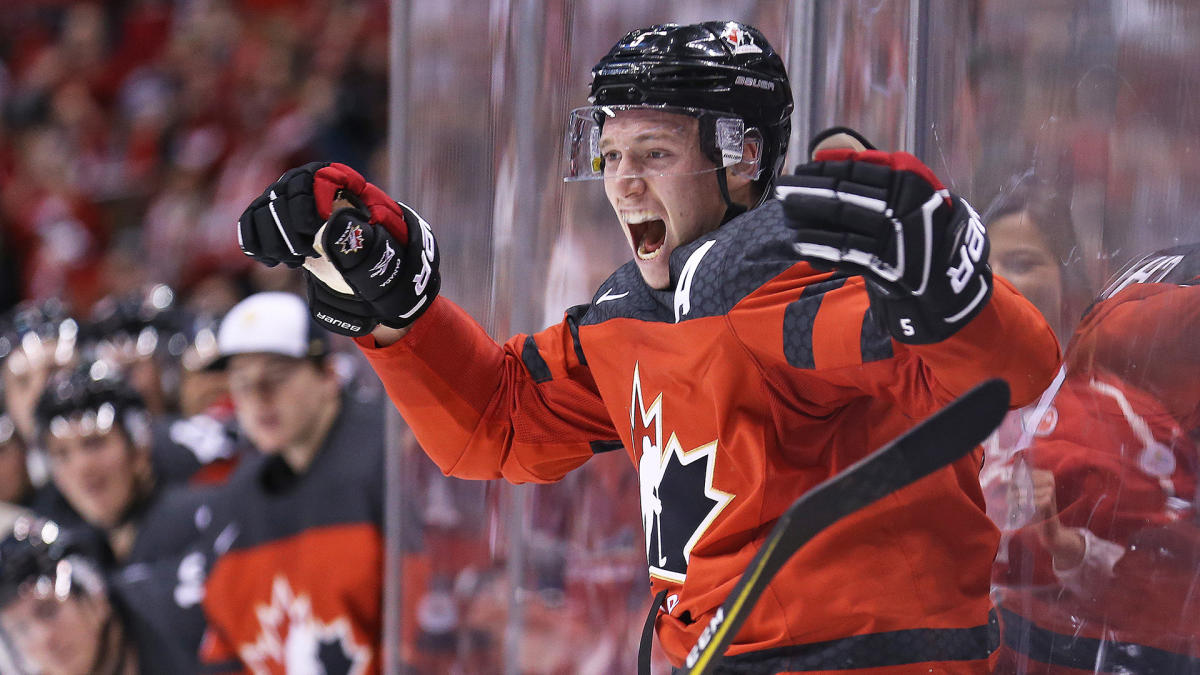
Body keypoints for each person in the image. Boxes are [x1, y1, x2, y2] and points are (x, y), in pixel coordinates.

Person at [236, 20, 1060, 673]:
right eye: (612, 153)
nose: (623, 180)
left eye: (655, 153)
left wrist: (949, 289)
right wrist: (401, 317)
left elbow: (1007, 373)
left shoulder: (802, 283)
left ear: (742, 160)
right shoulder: (632, 315)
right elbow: (496, 421)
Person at [993, 243, 1200, 673]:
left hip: (1041, 631)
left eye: (1021, 260)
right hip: (1149, 631)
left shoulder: (1151, 270)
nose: (999, 276)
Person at [197, 291, 427, 675]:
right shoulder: (233, 502)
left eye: (277, 376)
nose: (257, 398)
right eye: (241, 382)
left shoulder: (394, 460)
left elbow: (425, 634)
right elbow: (225, 650)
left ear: (329, 375)